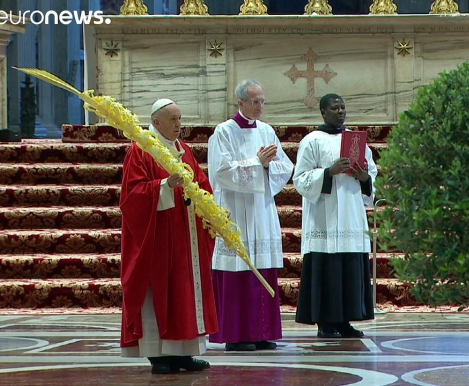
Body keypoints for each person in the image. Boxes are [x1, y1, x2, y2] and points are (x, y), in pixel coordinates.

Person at [120, 98, 218, 374]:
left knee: (183, 292)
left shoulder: (182, 149)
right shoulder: (141, 151)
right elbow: (132, 195)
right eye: (173, 120)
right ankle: (157, 353)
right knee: (160, 292)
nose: (179, 125)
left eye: (180, 119)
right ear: (156, 122)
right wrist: (163, 185)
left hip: (185, 238)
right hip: (158, 239)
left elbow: (200, 183)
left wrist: (211, 210)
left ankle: (183, 353)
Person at [207, 80, 294, 351]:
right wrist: (257, 163)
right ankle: (236, 335)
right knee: (238, 270)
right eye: (255, 102)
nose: (260, 107)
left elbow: (284, 166)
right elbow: (221, 172)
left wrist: (267, 168)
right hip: (236, 210)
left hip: (261, 209)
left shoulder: (267, 131)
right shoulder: (224, 132)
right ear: (240, 103)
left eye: (263, 101)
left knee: (262, 268)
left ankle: (262, 332)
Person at [293, 94, 376, 338]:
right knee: (327, 267)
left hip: (351, 212)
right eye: (335, 108)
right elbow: (300, 179)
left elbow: (371, 172)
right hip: (324, 214)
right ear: (323, 112)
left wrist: (364, 178)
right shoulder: (311, 141)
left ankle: (345, 321)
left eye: (343, 108)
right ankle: (325, 323)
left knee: (350, 266)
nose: (340, 112)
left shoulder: (357, 140)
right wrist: (328, 172)